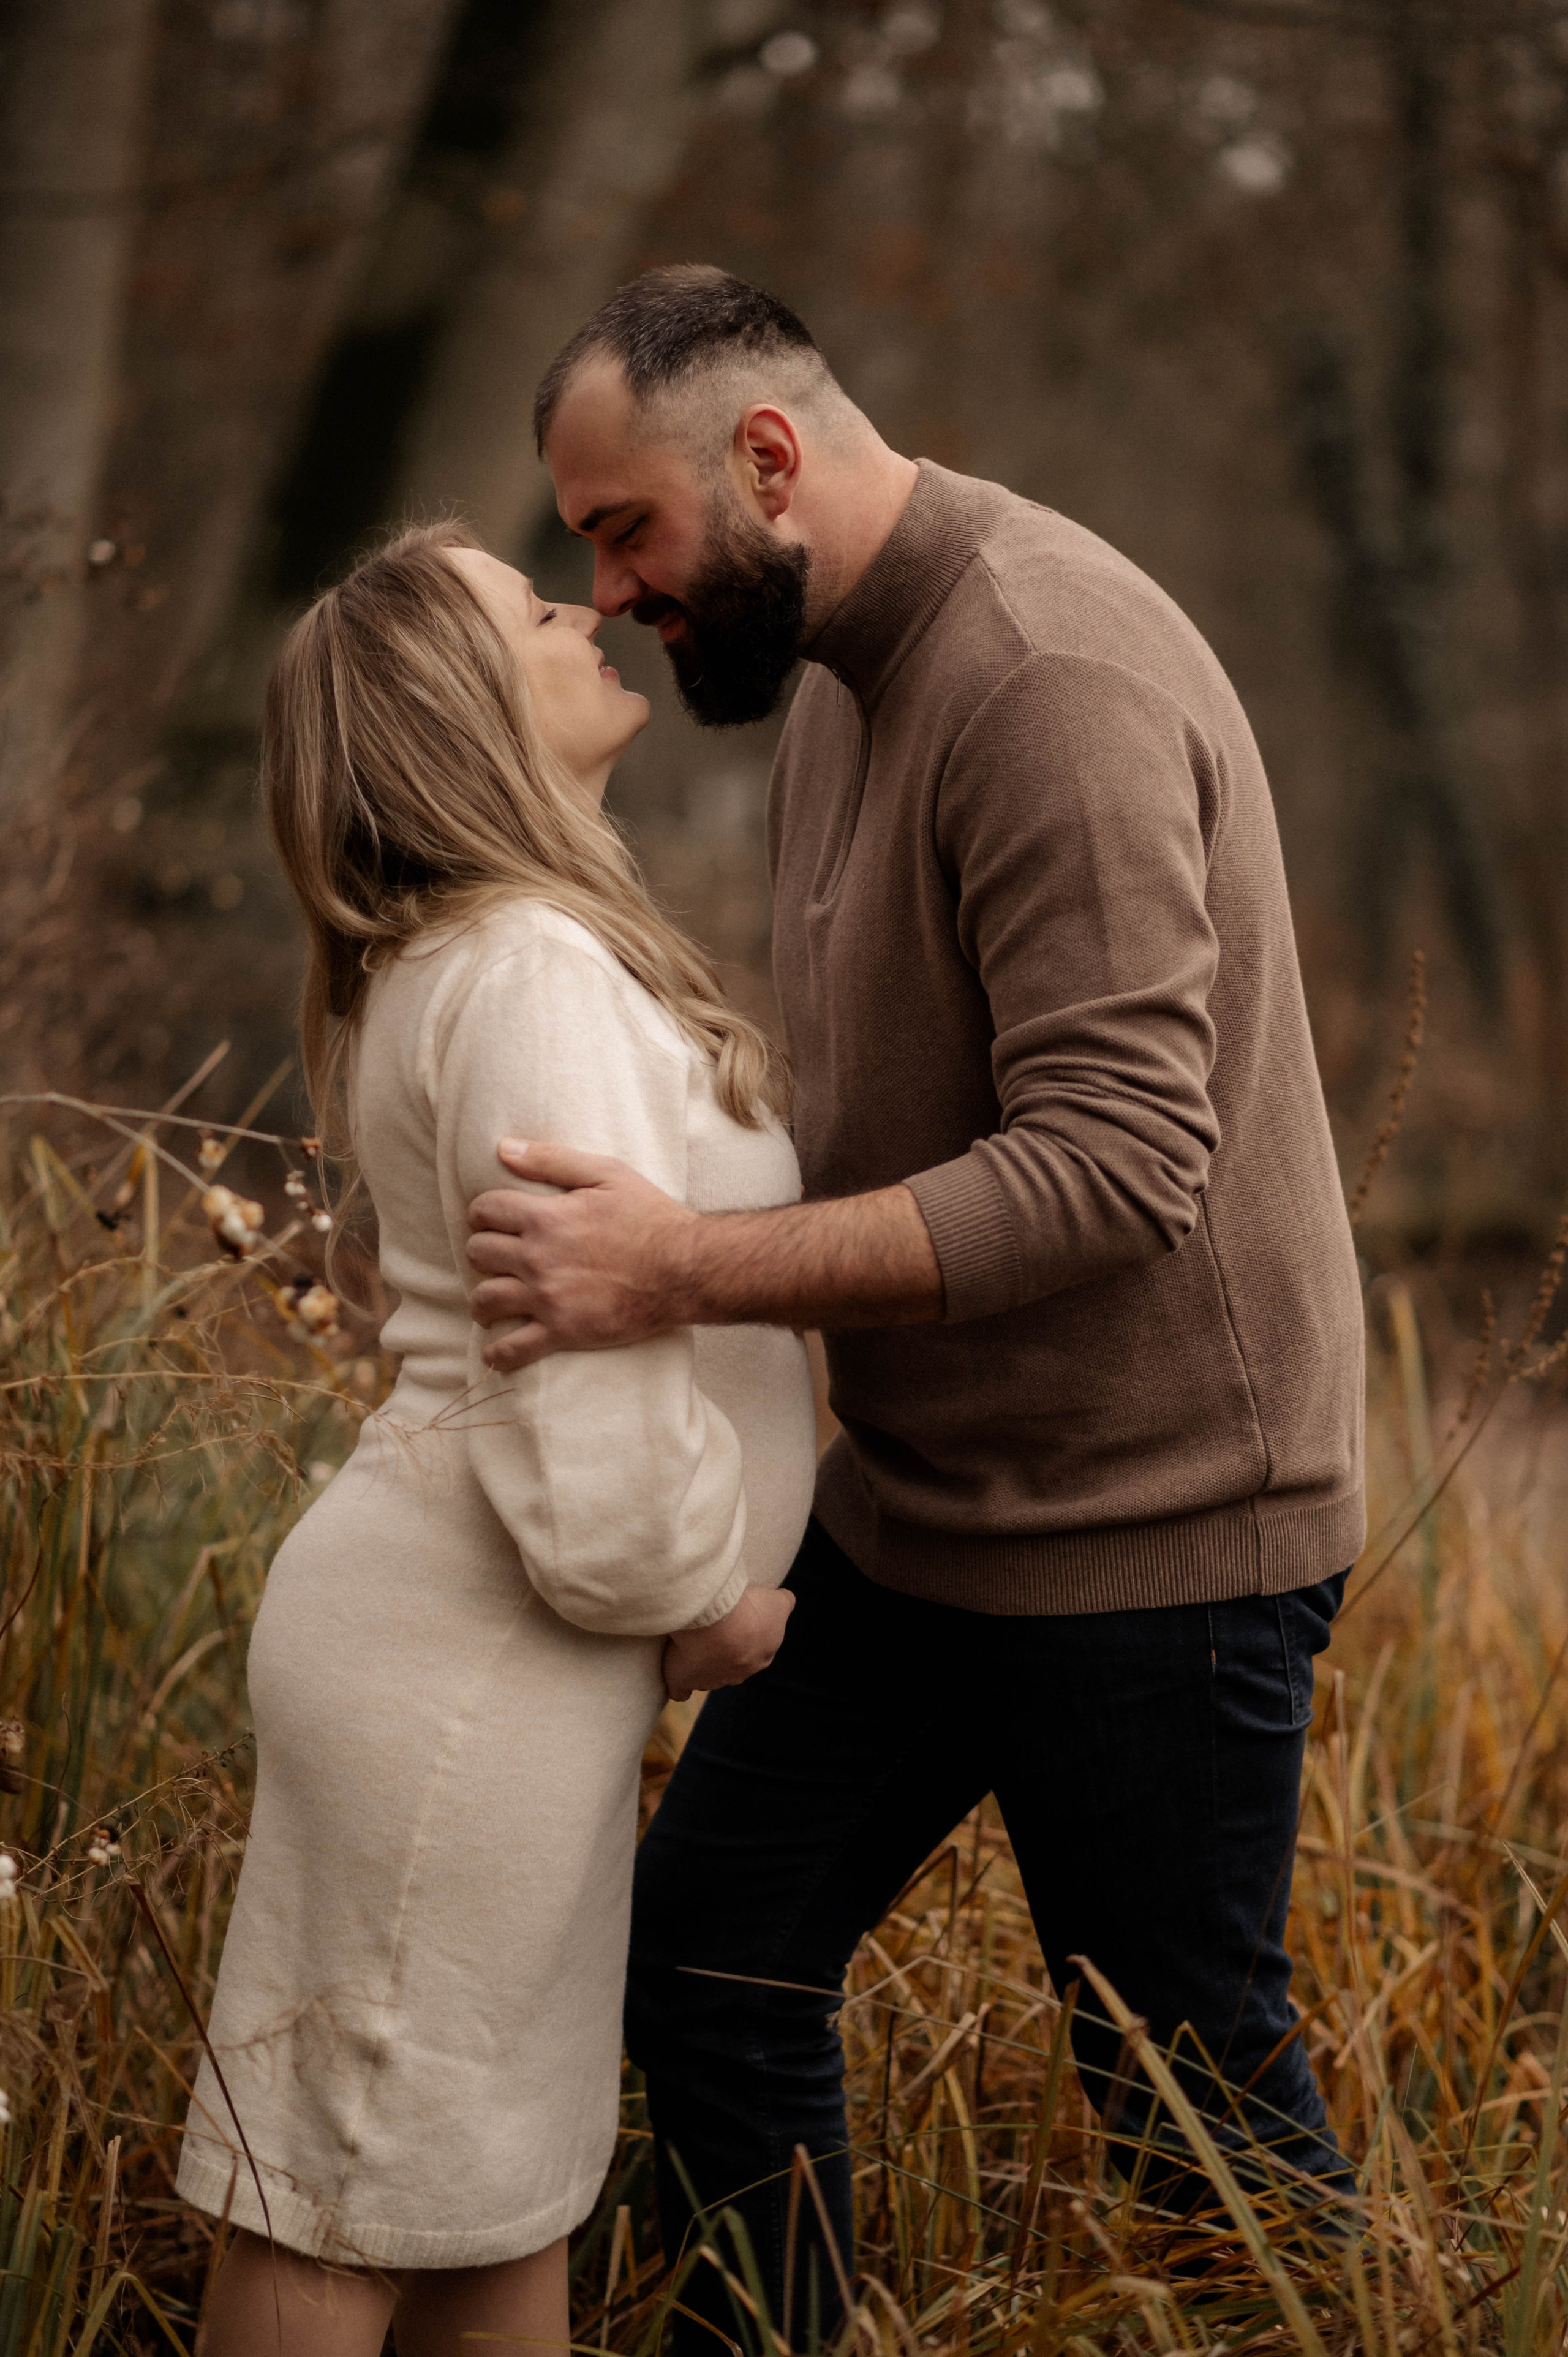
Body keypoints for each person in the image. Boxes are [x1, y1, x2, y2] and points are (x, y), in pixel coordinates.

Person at [464, 266, 1368, 2342]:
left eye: (625, 530)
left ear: (767, 459)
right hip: (931, 1511)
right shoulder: (841, 676)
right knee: (710, 1962)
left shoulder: (1047, 674)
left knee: (1191, 2122)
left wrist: (676, 1269)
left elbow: (1125, 1166)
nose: (603, 592)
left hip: (1158, 1546)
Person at [176, 520, 817, 2356]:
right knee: (344, 2193)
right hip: (479, 1669)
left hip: (493, 1669)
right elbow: (585, 1392)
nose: (581, 608)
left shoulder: (492, 953)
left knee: (484, 2205)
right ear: (462, 708)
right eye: (528, 613)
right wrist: (709, 1599)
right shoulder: (529, 969)